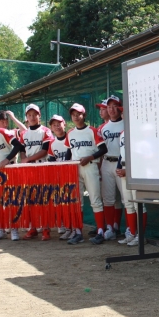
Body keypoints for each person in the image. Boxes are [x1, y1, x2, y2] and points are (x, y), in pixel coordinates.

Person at [64, 103, 108, 245]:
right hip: (75, 168)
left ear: (84, 115)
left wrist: (90, 157)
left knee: (95, 199)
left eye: (78, 114)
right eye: (73, 114)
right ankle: (78, 233)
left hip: (90, 166)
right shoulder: (70, 133)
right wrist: (66, 166)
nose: (76, 117)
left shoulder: (92, 131)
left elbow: (103, 149)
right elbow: (68, 152)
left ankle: (100, 232)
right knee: (77, 202)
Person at [18, 104, 54, 241]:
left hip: (41, 165)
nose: (32, 117)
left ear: (39, 116)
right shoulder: (24, 133)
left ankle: (45, 228)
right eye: (29, 115)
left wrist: (27, 159)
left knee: (43, 199)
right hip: (28, 168)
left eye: (35, 115)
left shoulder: (45, 131)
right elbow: (22, 149)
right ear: (26, 117)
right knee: (29, 199)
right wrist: (24, 160)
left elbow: (45, 150)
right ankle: (33, 228)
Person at [115, 103, 146, 247]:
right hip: (124, 169)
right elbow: (121, 154)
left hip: (137, 170)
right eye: (123, 113)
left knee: (139, 204)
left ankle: (141, 236)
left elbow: (142, 155)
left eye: (127, 112)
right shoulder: (122, 133)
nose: (124, 115)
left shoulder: (139, 131)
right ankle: (132, 234)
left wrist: (129, 170)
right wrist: (119, 168)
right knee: (128, 204)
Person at [98, 95, 126, 240]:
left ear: (120, 108)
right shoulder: (103, 128)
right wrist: (99, 168)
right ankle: (109, 228)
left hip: (122, 164)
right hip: (107, 162)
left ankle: (127, 228)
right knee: (108, 199)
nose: (111, 109)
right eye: (109, 107)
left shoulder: (126, 124)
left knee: (125, 199)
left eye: (115, 106)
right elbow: (99, 150)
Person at [47, 114, 74, 240]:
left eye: (59, 124)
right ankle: (67, 227)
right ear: (51, 128)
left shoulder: (71, 137)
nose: (57, 127)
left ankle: (75, 228)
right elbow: (52, 161)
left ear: (64, 124)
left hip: (73, 174)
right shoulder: (52, 143)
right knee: (62, 202)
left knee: (73, 203)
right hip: (60, 176)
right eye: (54, 125)